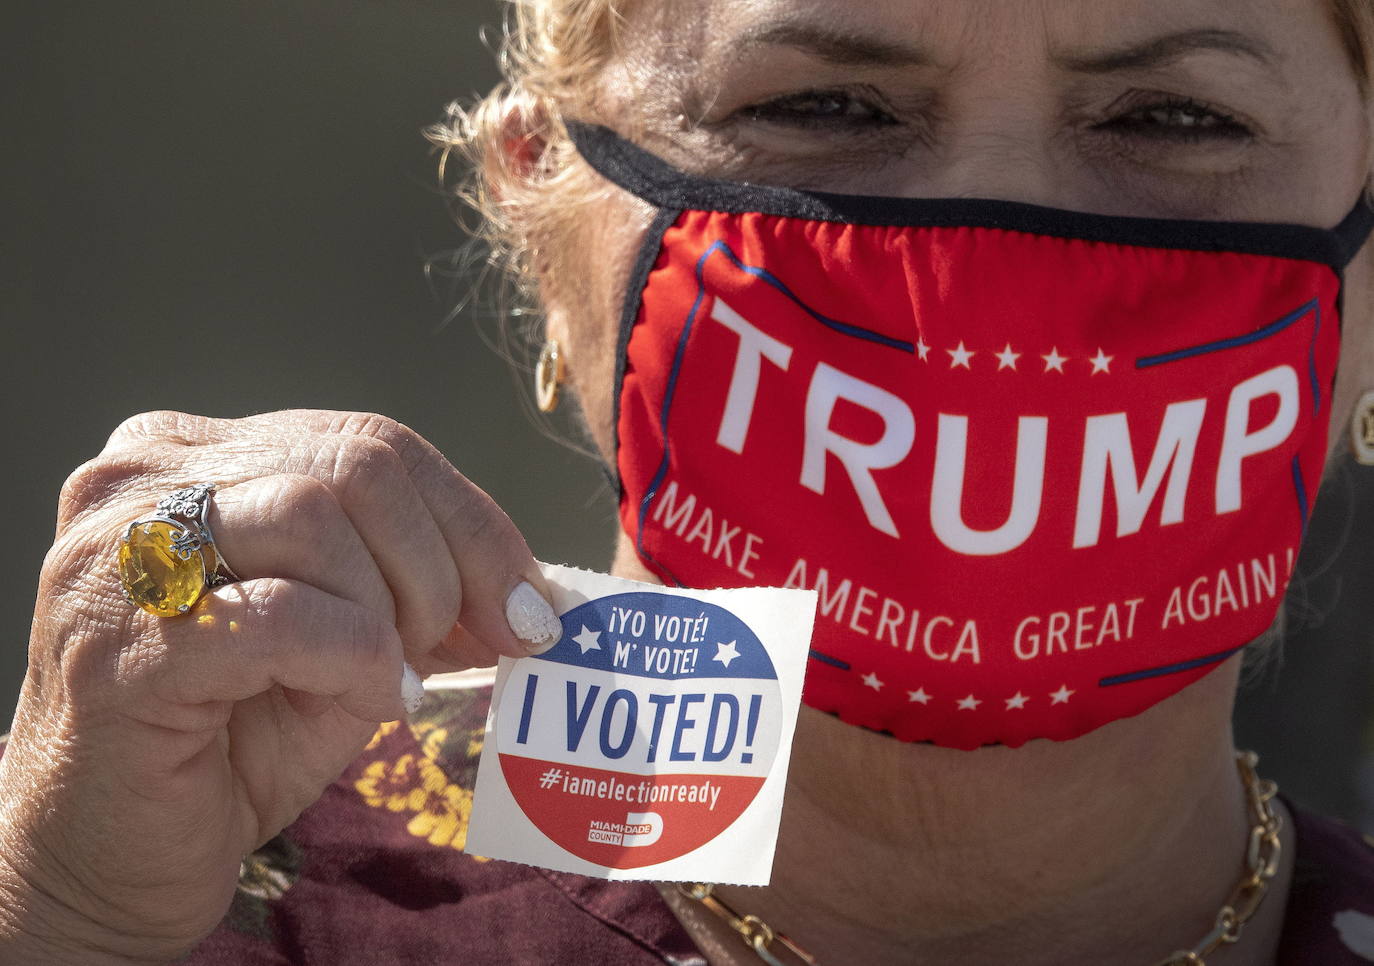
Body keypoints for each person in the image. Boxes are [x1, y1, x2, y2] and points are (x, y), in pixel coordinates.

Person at [3, 0, 1374, 963]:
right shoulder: (178, 883)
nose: (988, 231)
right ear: (545, 219)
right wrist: (53, 908)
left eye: (1175, 117)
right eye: (823, 105)